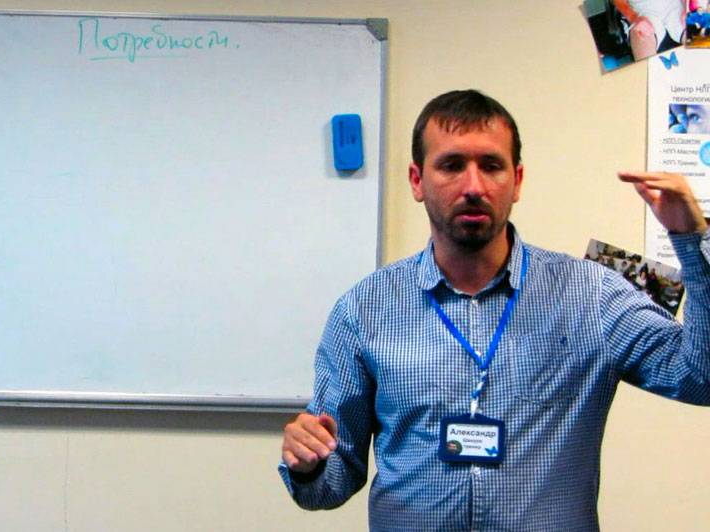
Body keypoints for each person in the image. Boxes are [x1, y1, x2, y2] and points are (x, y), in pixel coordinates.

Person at [279, 90, 710, 531]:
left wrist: (693, 240)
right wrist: (309, 462)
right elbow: (328, 485)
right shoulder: (364, 309)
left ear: (517, 180)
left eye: (491, 165)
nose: (473, 187)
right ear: (416, 180)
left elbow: (701, 377)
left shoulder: (592, 295)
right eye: (451, 165)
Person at [612, 0, 684, 60]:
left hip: (675, 7)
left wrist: (687, 7)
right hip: (642, 12)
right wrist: (634, 18)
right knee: (641, 35)